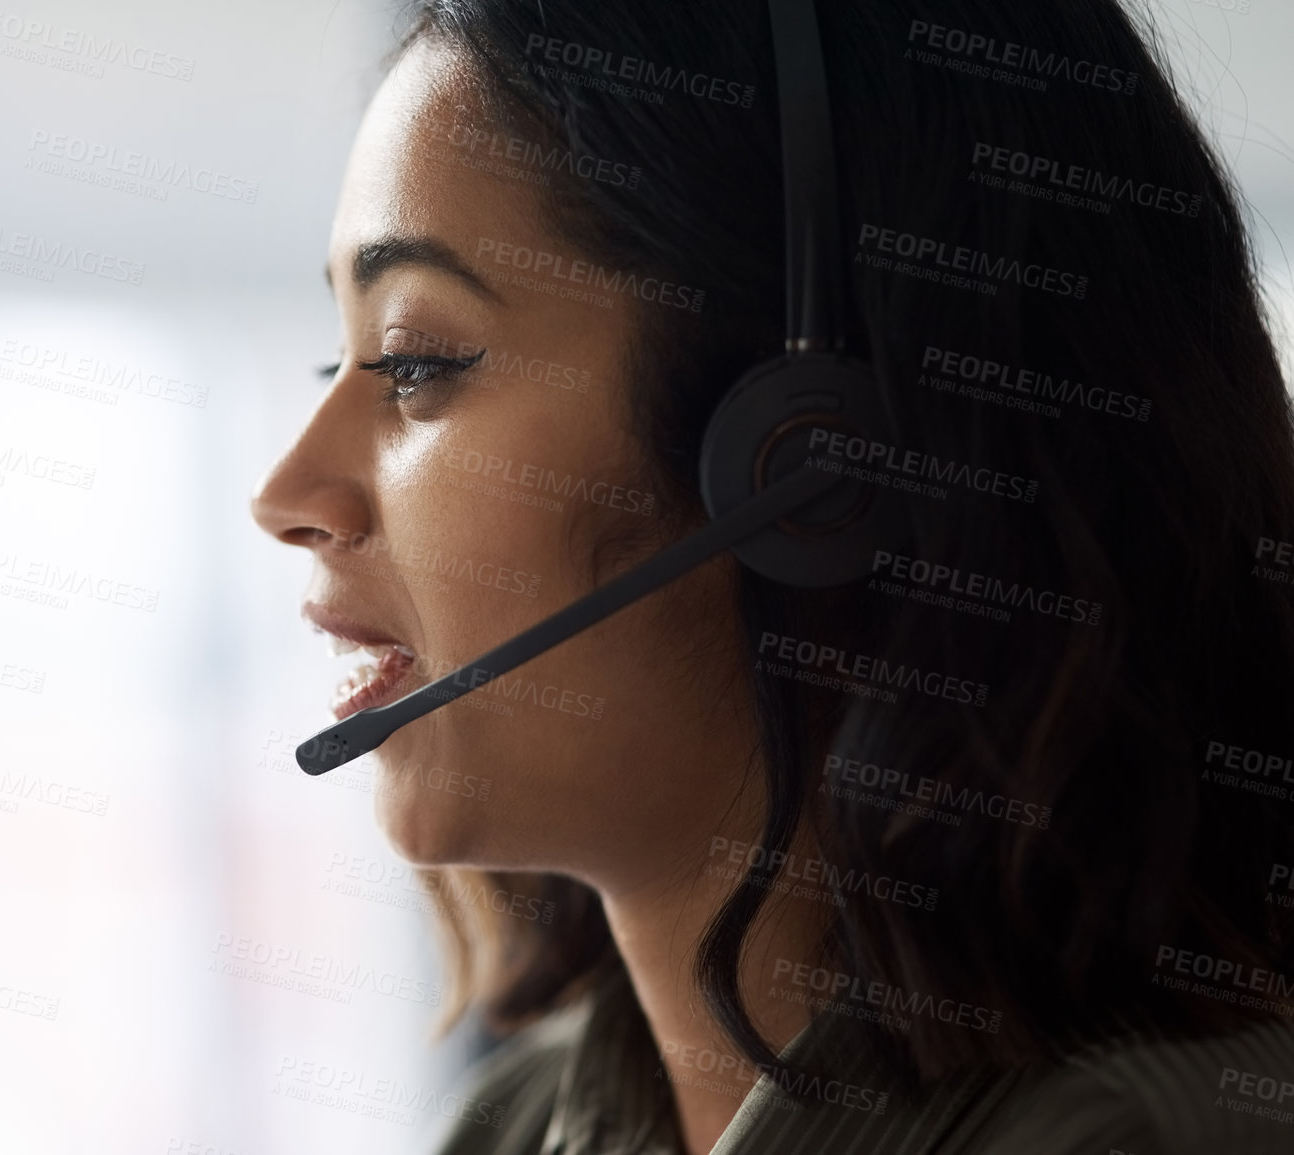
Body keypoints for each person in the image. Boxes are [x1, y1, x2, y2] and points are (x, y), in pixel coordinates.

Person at [249, 1, 1294, 1151]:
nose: (286, 492)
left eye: (415, 361)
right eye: (333, 359)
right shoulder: (518, 1124)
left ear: (805, 457)